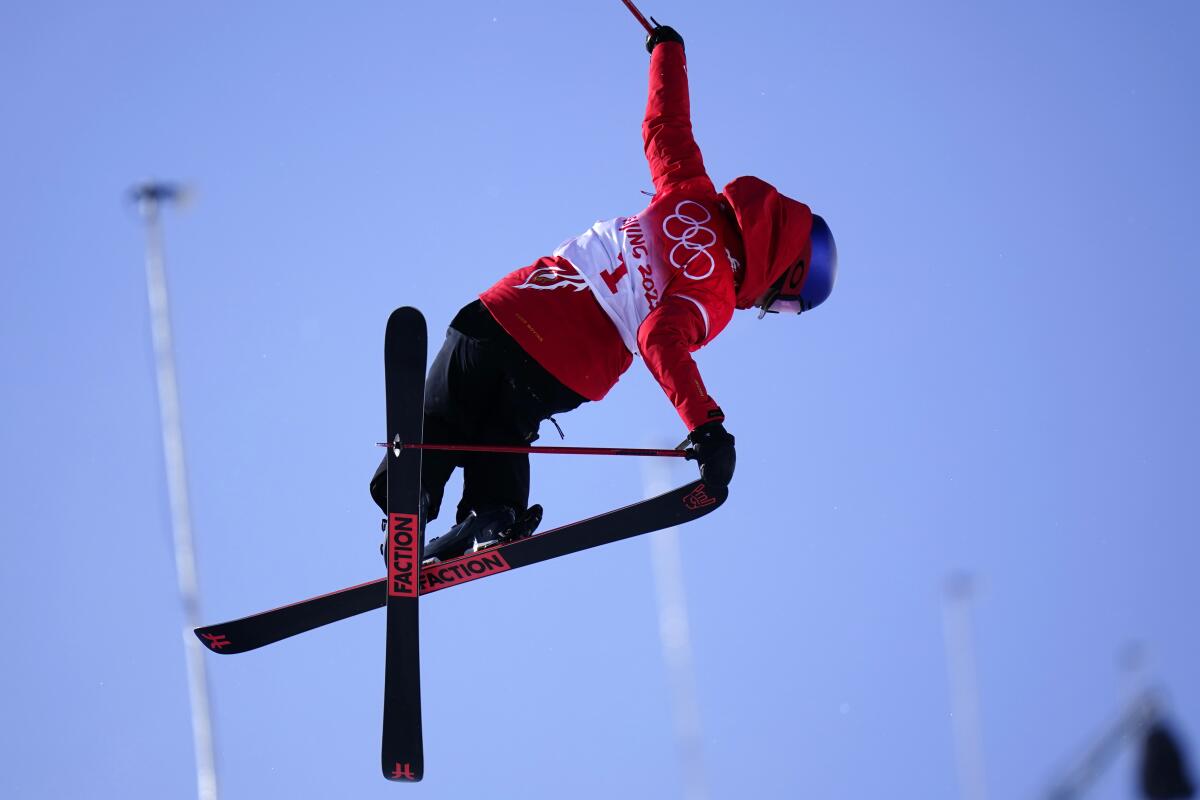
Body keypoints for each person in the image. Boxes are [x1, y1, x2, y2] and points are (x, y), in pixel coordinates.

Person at [371, 23, 838, 562]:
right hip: (571, 368)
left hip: (527, 305)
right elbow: (658, 339)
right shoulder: (712, 296)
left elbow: (665, 124)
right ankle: (492, 511)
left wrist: (667, 51)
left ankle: (414, 492)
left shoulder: (691, 190)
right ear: (786, 268)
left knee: (455, 393)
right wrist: (707, 427)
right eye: (781, 304)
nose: (764, 308)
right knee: (504, 421)